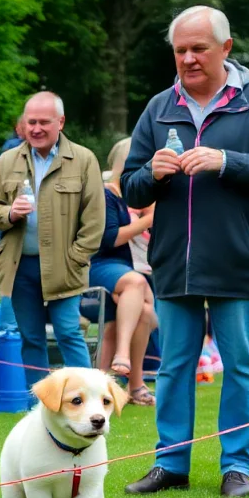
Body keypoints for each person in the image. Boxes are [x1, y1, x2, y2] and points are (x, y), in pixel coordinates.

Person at [121, 5, 249, 498]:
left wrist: (228, 161)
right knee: (175, 366)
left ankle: (236, 466)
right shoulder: (159, 107)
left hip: (238, 261)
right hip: (175, 262)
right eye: (180, 50)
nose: (188, 58)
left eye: (199, 48)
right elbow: (130, 188)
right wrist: (151, 174)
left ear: (226, 48)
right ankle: (170, 463)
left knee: (240, 366)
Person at [0, 92, 105, 390]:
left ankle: (86, 401)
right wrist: (10, 213)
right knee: (31, 337)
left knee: (68, 333)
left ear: (60, 122)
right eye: (30, 122)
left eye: (44, 122)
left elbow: (95, 220)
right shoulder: (7, 161)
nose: (36, 128)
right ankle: (41, 409)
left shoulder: (83, 159)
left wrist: (76, 257)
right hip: (20, 265)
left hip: (65, 266)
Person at [92, 137, 157, 405]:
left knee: (144, 311)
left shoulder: (132, 196)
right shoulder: (106, 193)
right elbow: (110, 238)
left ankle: (133, 384)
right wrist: (150, 219)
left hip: (122, 271)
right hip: (97, 266)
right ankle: (123, 356)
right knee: (135, 282)